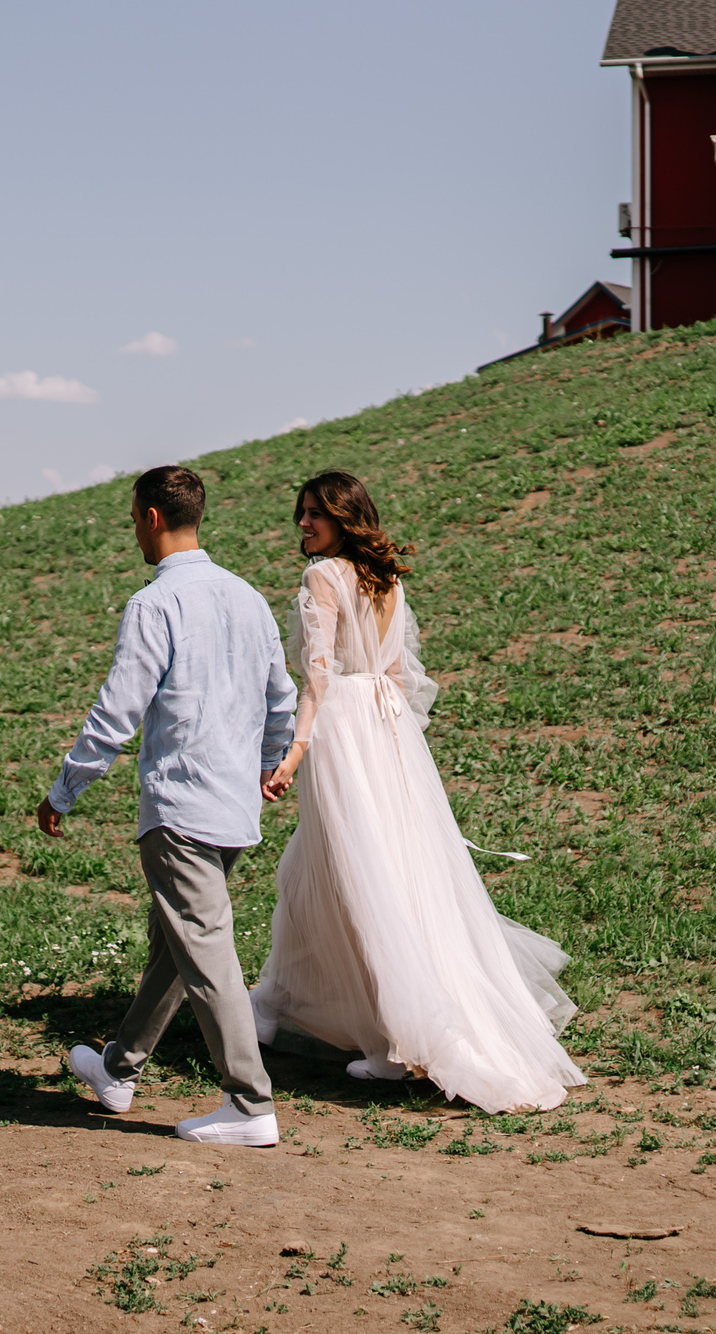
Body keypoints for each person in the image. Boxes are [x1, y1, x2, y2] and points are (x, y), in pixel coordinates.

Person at [248, 470, 584, 1113]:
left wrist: (292, 752)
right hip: (386, 728)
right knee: (354, 867)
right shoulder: (387, 581)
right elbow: (401, 676)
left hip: (345, 729)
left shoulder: (323, 578)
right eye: (302, 512)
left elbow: (316, 677)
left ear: (345, 516)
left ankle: (394, 1037)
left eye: (315, 513)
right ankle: (281, 1002)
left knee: (357, 874)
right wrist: (395, 745)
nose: (303, 524)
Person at [39, 464, 297, 1147]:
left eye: (133, 520)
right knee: (176, 942)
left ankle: (249, 1102)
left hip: (181, 806)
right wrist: (270, 765)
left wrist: (66, 787)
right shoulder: (249, 598)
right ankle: (118, 1068)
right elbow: (283, 699)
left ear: (151, 518)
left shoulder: (154, 605)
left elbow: (118, 709)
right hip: (236, 807)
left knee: (204, 950)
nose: (134, 533)